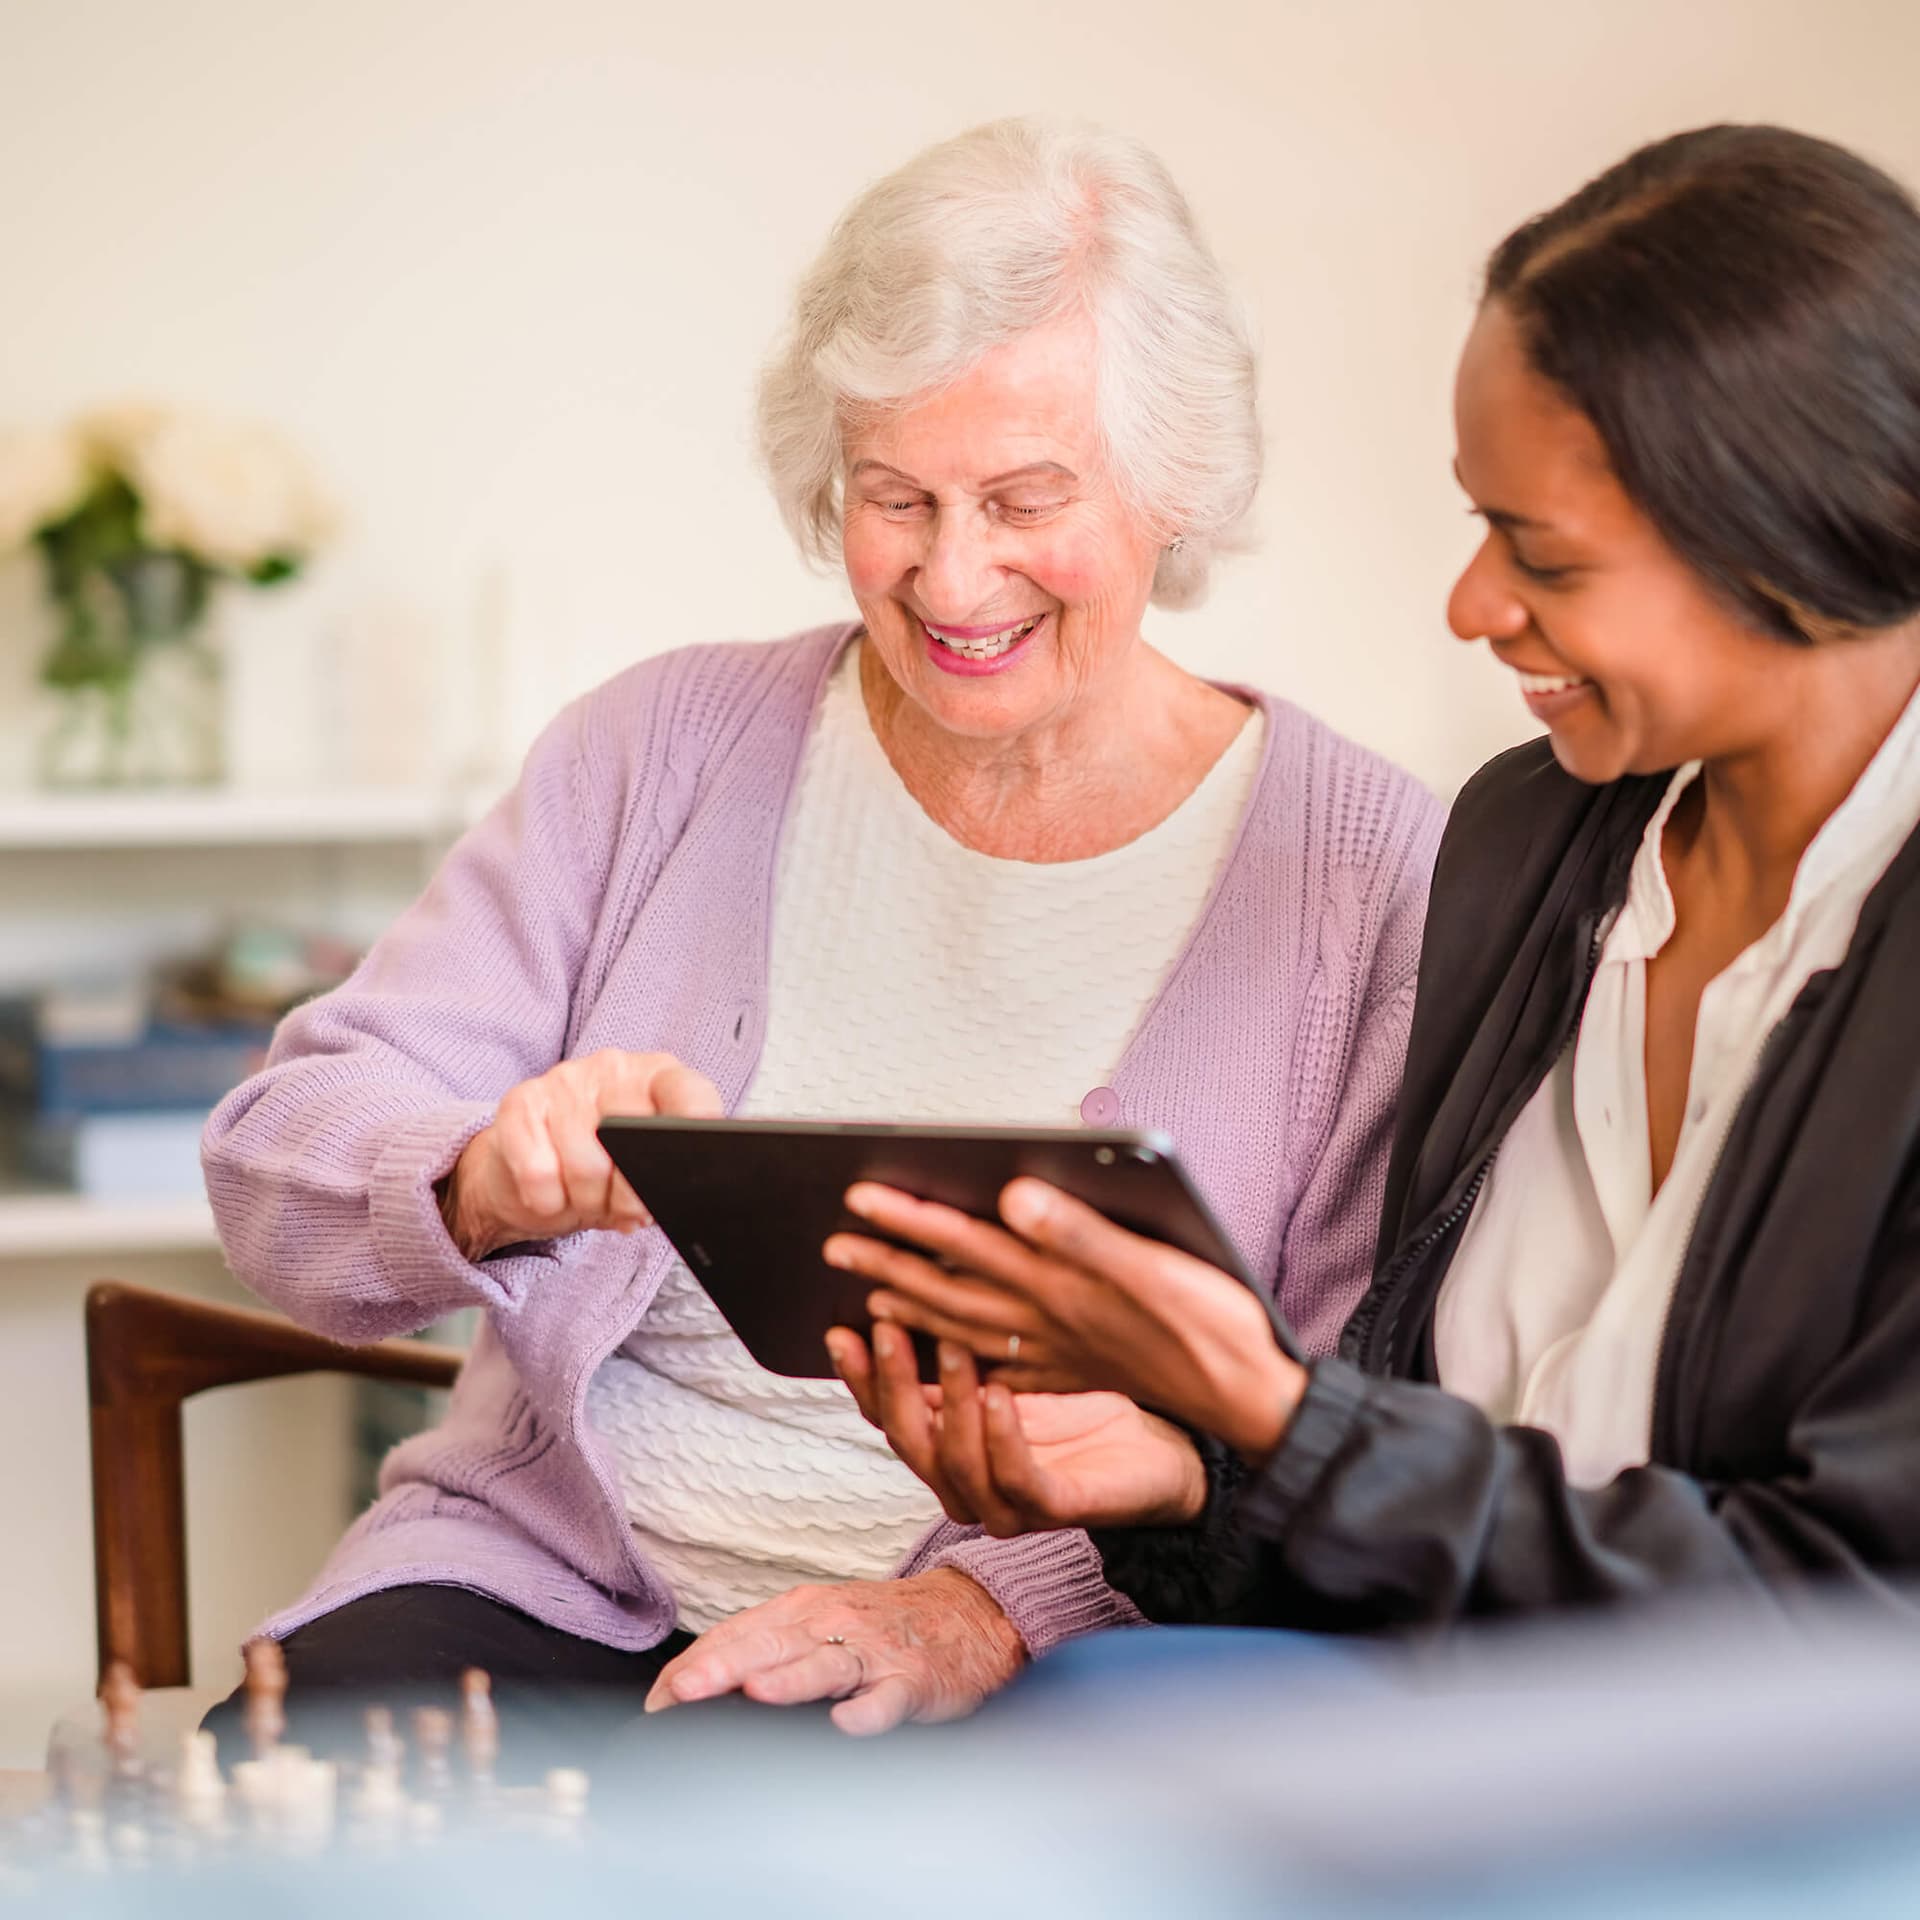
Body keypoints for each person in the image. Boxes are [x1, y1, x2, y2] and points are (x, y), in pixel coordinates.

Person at [198, 115, 1441, 1745]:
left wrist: (990, 1606)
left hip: (1014, 1669)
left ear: (1175, 486)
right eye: (894, 496)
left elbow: (1345, 1409)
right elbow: (275, 1160)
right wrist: (482, 1175)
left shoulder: (1367, 874)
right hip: (542, 1582)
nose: (954, 576)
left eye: (1025, 497)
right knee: (274, 1809)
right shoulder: (660, 748)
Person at [829, 124, 1920, 1630]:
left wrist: (1286, 1425)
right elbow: (1416, 1489)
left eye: (1542, 554)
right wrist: (1196, 1478)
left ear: (1791, 537)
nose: (1472, 604)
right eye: (1480, 524)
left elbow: (1850, 1613)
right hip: (1415, 1714)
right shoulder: (1532, 844)